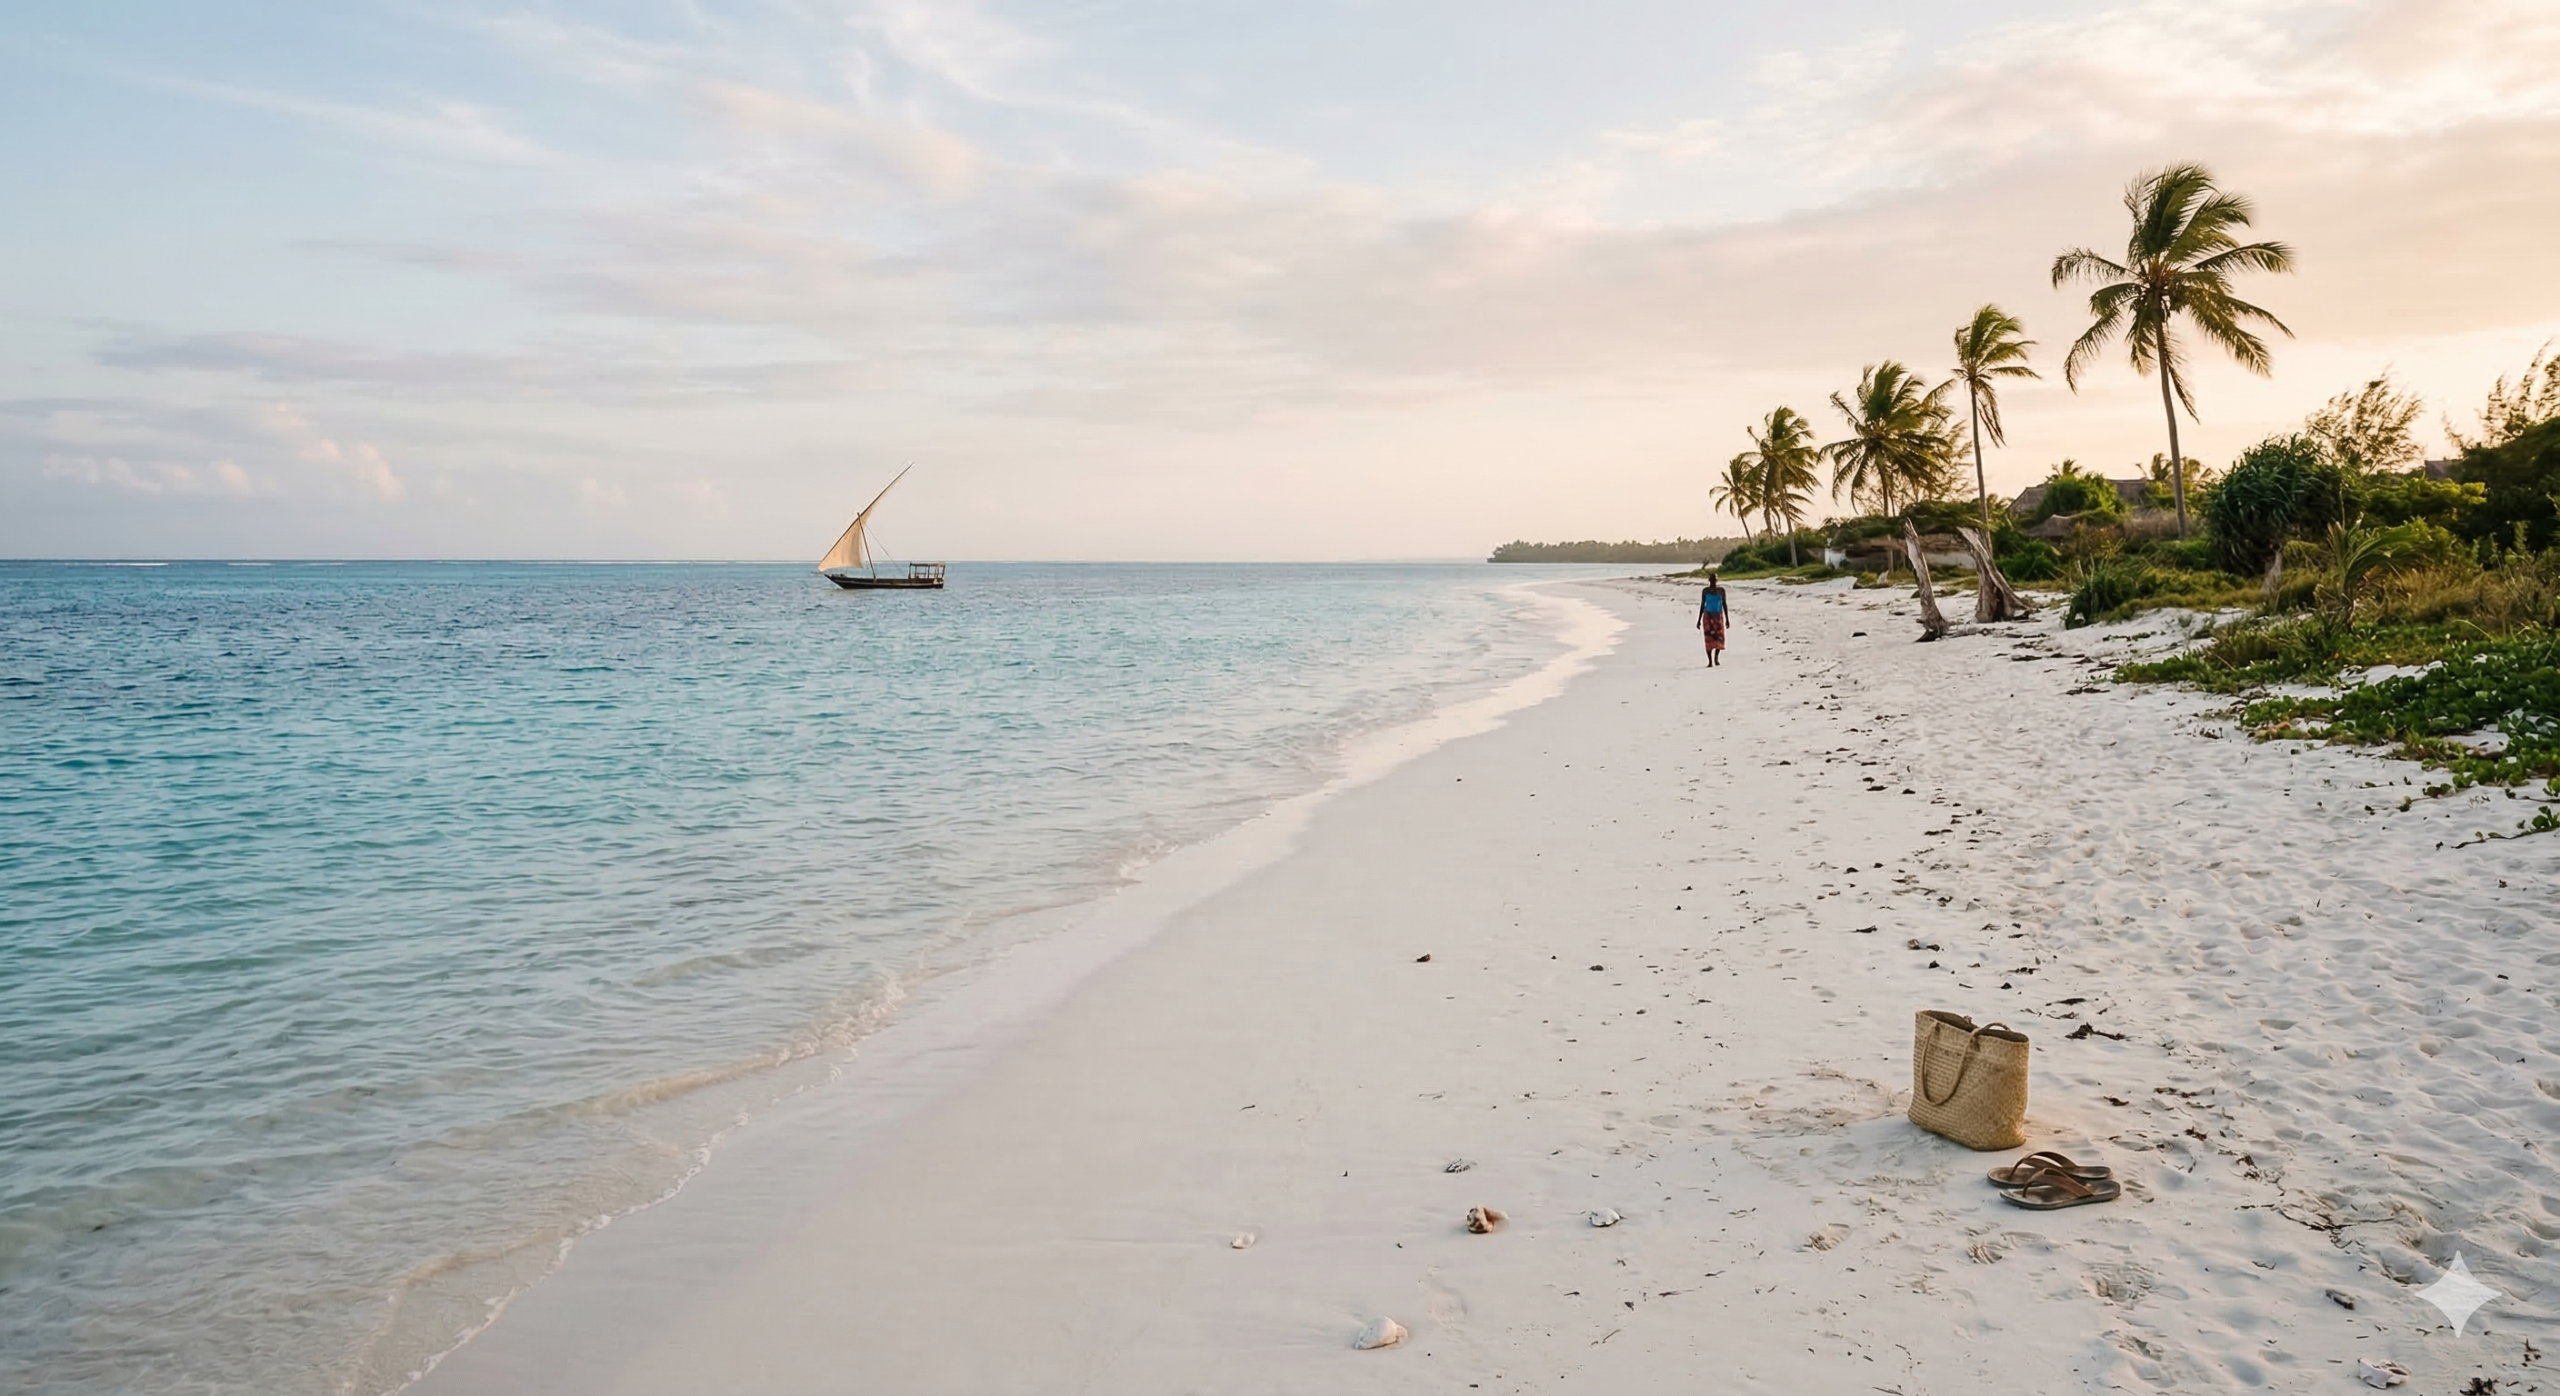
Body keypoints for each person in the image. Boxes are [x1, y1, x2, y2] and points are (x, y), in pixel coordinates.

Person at [1696, 570, 1729, 665]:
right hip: (1708, 616)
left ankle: (1716, 658)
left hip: (1718, 617)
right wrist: (1698, 620)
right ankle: (1710, 661)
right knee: (1708, 638)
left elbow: (1724, 604)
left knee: (1719, 637)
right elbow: (1702, 605)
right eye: (1712, 579)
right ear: (1709, 580)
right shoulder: (1705, 591)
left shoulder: (1721, 591)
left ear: (1717, 580)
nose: (1714, 581)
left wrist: (1727, 619)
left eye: (1715, 579)